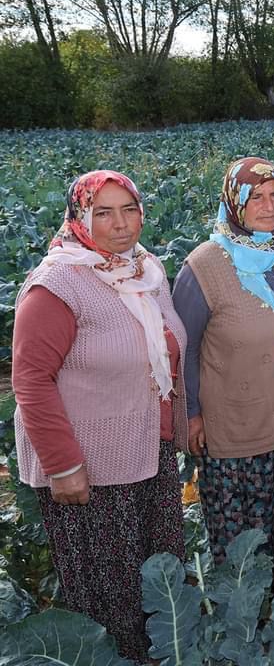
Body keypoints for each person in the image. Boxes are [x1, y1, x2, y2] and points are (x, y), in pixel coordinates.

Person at [11, 170, 187, 661]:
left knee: (159, 585)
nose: (120, 224)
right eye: (103, 212)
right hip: (92, 468)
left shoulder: (145, 270)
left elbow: (168, 352)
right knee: (112, 597)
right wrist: (63, 465)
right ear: (80, 217)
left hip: (148, 453)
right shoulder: (56, 284)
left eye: (129, 209)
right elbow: (30, 381)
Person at [174, 157, 274, 591]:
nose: (268, 206)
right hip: (238, 420)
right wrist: (190, 415)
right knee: (247, 538)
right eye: (255, 197)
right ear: (234, 202)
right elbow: (183, 351)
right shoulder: (204, 267)